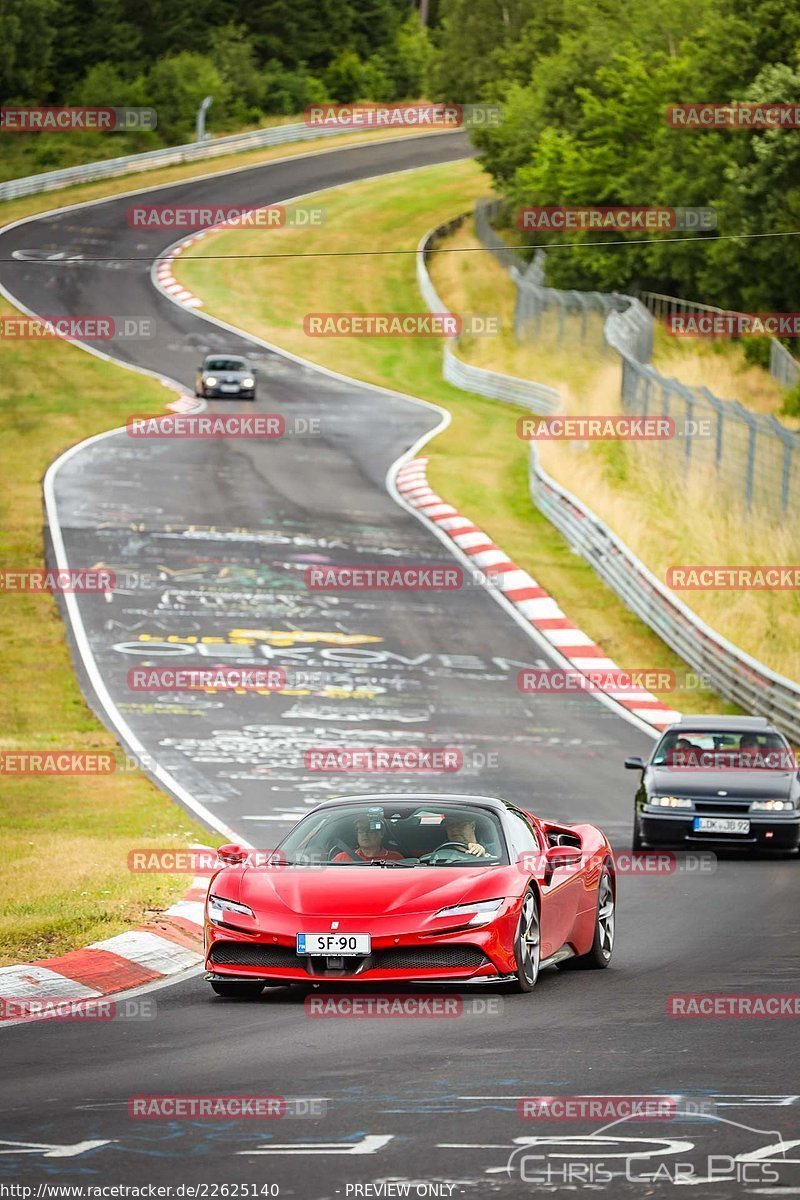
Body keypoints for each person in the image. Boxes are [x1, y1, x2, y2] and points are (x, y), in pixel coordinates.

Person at [332, 817, 404, 862]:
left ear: (381, 833)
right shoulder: (342, 858)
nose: (365, 834)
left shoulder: (395, 858)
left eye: (370, 830)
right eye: (361, 830)